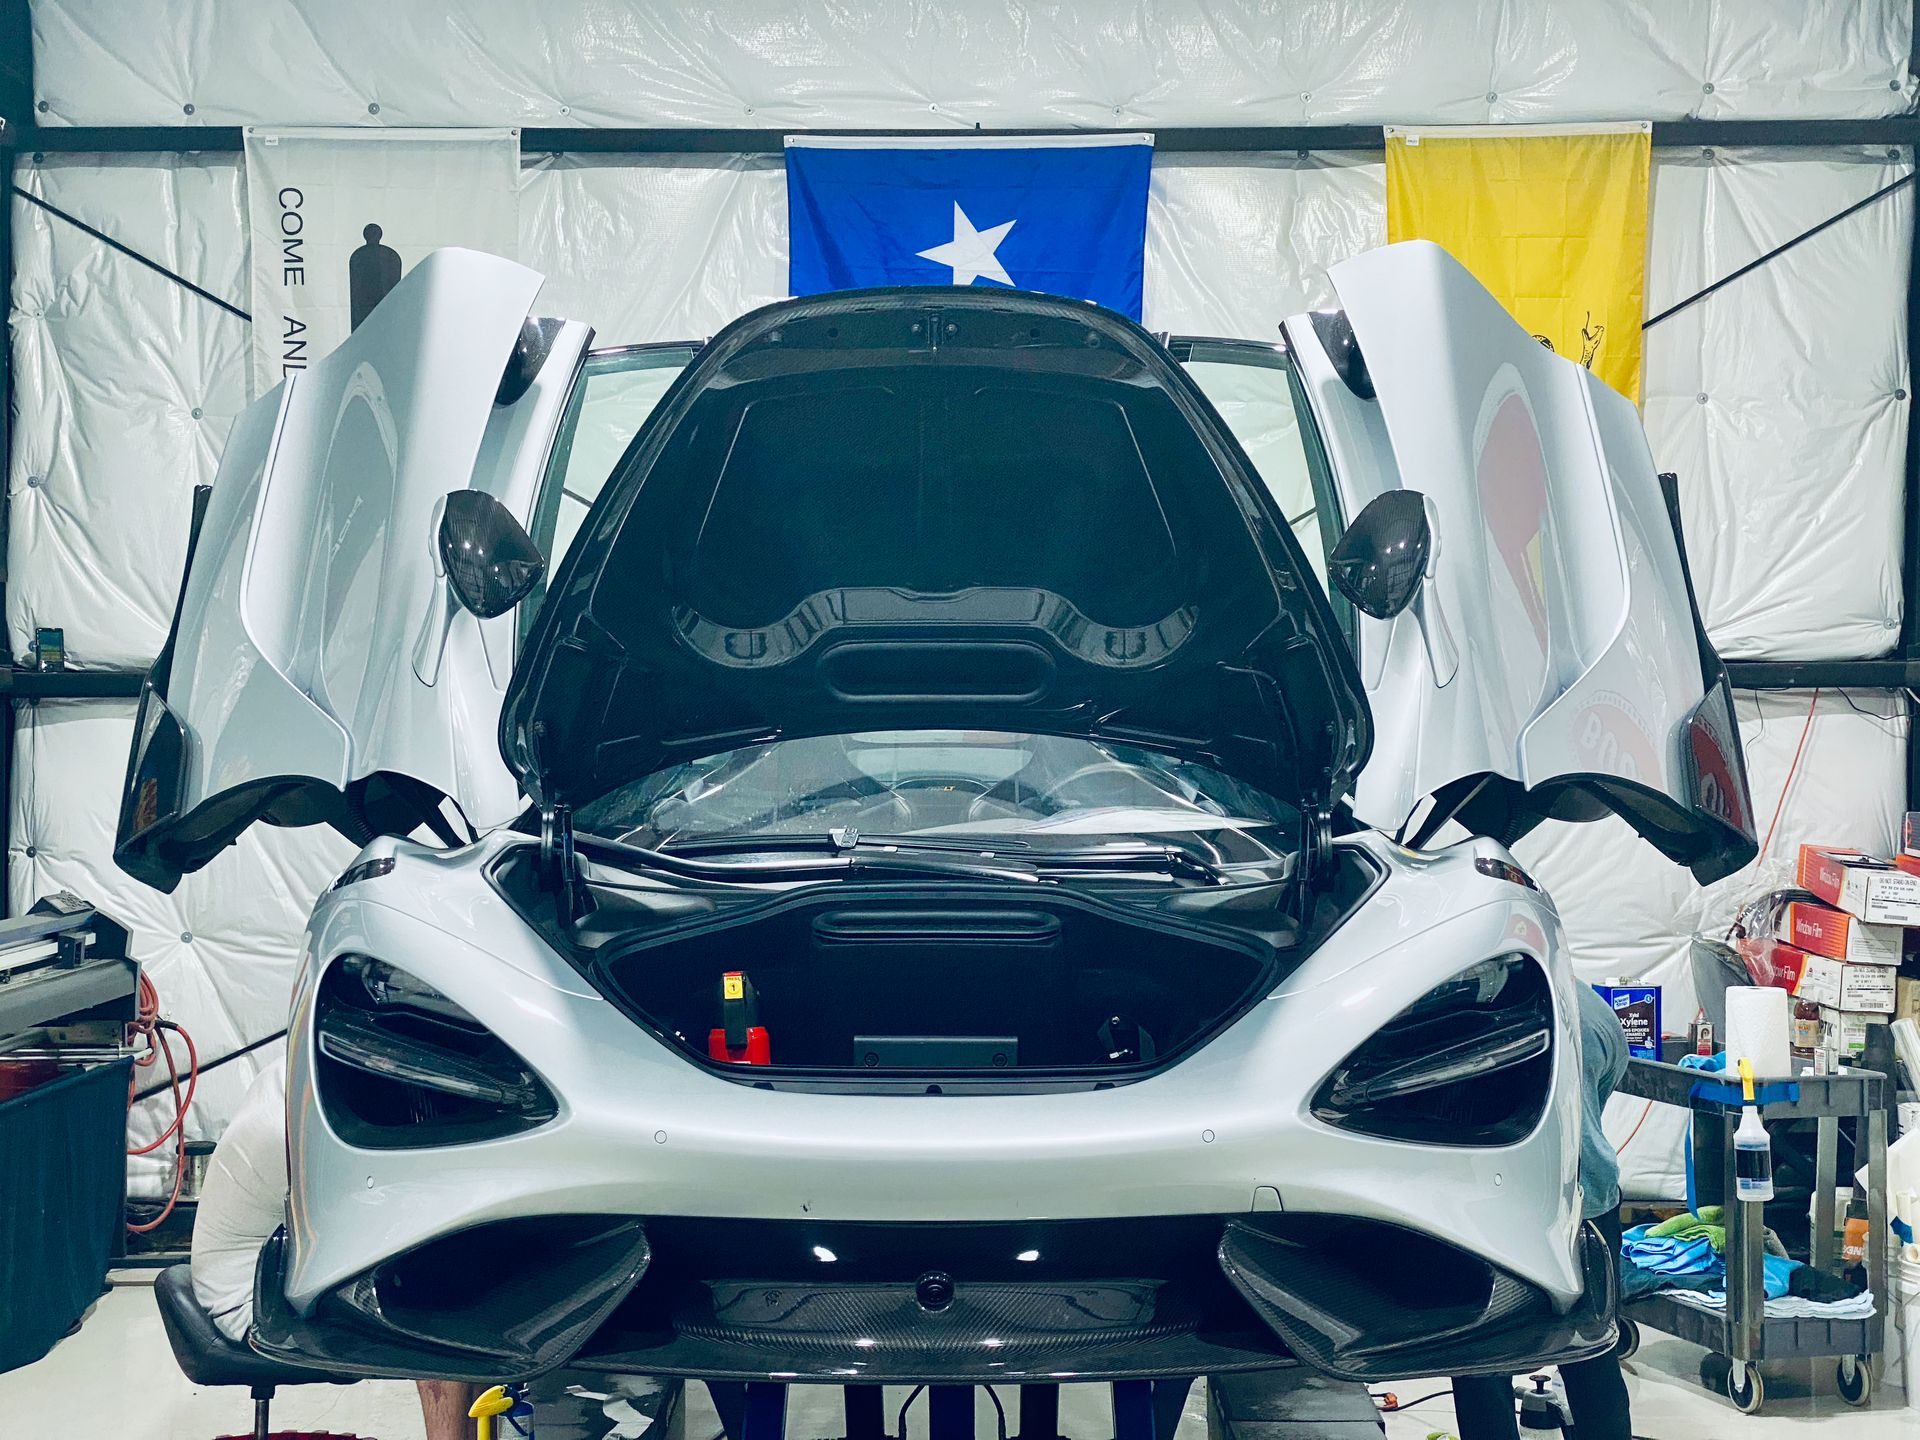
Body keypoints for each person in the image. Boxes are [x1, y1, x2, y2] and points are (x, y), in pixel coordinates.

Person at [191, 1058, 675, 1439]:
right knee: (439, 1316)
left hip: (286, 1261)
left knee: (470, 1278)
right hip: (254, 1300)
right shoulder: (307, 1121)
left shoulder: (316, 1074)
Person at [190, 1058, 477, 1438]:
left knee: (460, 1286)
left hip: (278, 1262)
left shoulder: (305, 1072)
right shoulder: (296, 1132)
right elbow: (384, 1226)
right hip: (253, 1301)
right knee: (438, 1321)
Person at [1447, 983, 1633, 1440]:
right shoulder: (1591, 1008)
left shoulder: (1474, 1009)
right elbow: (1605, 1085)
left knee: (1480, 1358)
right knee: (1592, 1354)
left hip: (1497, 1211)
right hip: (1590, 1203)